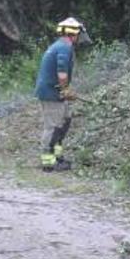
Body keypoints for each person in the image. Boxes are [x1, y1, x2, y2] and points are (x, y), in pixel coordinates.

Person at [35, 17, 88, 171]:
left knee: (64, 123)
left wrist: (65, 91)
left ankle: (58, 157)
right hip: (51, 92)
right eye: (79, 34)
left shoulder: (61, 45)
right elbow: (62, 73)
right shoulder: (64, 47)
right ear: (74, 33)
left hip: (56, 91)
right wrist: (65, 90)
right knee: (52, 127)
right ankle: (48, 163)